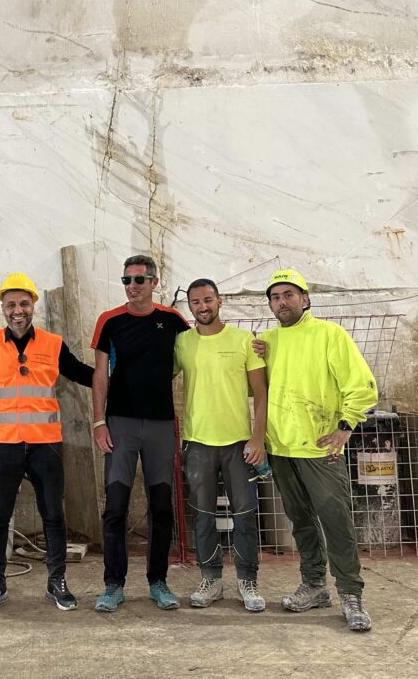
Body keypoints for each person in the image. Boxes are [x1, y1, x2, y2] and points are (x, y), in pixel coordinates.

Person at [255, 268, 378, 632]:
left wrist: (345, 427)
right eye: (275, 297)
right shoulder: (267, 341)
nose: (282, 302)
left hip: (319, 449)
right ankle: (314, 585)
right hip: (281, 448)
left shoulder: (329, 335)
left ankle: (351, 594)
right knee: (301, 521)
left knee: (336, 521)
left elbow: (362, 386)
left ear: (305, 299)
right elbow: (258, 391)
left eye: (289, 294)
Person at [0, 272, 94, 612]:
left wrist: (118, 377)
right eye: (10, 305)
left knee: (53, 515)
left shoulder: (52, 344)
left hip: (45, 444)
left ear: (33, 304)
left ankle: (57, 582)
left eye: (23, 303)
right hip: (4, 445)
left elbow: (81, 373)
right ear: (3, 308)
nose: (17, 310)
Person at [91, 254, 190, 612]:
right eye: (126, 280)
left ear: (154, 282)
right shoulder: (110, 321)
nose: (132, 287)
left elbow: (195, 358)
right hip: (120, 425)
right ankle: (113, 584)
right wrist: (98, 422)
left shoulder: (174, 320)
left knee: (161, 507)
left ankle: (158, 581)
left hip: (162, 426)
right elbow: (100, 375)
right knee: (115, 507)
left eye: (139, 280)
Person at [174, 278, 268, 612]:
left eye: (208, 300)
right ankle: (211, 580)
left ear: (220, 301)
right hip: (198, 443)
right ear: (190, 307)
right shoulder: (182, 343)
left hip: (239, 444)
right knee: (202, 516)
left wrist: (258, 438)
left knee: (245, 514)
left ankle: (247, 580)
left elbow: (260, 392)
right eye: (195, 302)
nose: (202, 307)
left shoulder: (244, 340)